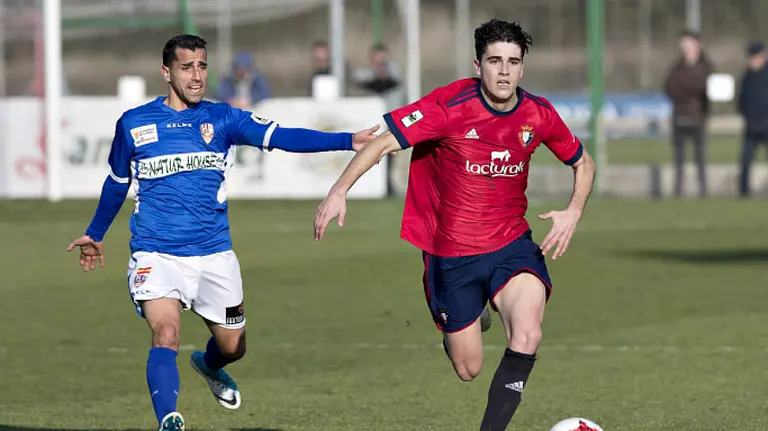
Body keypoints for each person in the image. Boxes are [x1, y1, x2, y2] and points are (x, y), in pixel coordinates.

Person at [66, 34, 378, 431]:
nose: (196, 76)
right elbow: (116, 182)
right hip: (156, 254)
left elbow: (282, 136)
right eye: (186, 67)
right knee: (166, 332)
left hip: (214, 255)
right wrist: (95, 232)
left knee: (234, 346)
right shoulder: (135, 124)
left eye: (202, 66)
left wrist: (347, 140)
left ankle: (209, 364)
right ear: (166, 72)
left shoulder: (223, 119)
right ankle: (169, 420)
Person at [314, 19, 595, 430]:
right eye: (494, 61)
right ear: (477, 64)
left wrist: (574, 210)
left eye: (513, 62)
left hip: (511, 245)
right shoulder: (449, 106)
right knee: (469, 368)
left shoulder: (539, 113)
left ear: (523, 68)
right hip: (452, 255)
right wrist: (339, 189)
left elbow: (583, 162)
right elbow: (384, 141)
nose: (504, 71)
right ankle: (466, 310)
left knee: (528, 335)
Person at [663, 30, 714, 198]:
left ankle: (703, 190)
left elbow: (708, 88)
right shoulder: (676, 68)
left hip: (698, 118)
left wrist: (689, 89)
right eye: (683, 45)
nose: (686, 49)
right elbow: (670, 88)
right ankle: (678, 190)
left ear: (697, 45)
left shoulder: (706, 67)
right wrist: (691, 90)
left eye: (689, 45)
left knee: (700, 156)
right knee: (679, 159)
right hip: (679, 117)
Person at [737, 41, 768, 198]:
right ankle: (744, 191)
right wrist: (746, 115)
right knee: (745, 161)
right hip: (751, 125)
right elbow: (742, 99)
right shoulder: (747, 76)